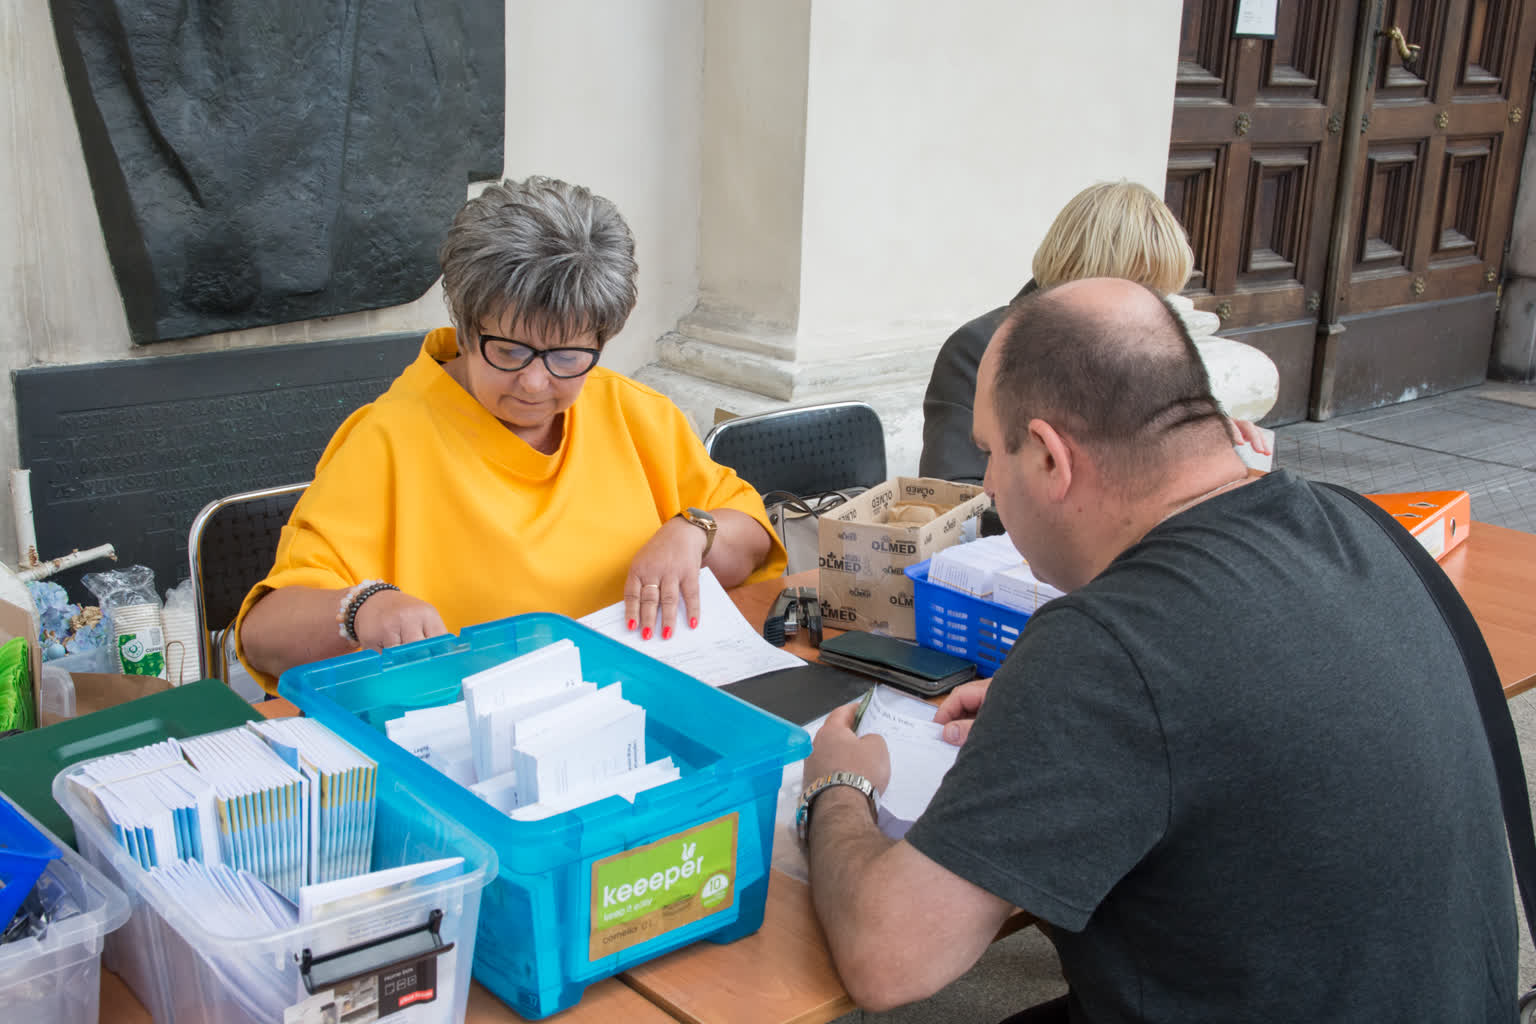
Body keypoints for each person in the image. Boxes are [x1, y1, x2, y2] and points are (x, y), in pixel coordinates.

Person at [801, 278, 1515, 1021]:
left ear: (1049, 457)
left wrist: (839, 791)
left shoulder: (1108, 647)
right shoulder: (1357, 526)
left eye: (989, 453)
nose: (985, 488)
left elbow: (888, 958)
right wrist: (1039, 734)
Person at [236, 176, 785, 693]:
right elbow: (264, 636)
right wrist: (362, 609)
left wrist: (695, 531)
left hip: (639, 702)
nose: (535, 382)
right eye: (509, 350)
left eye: (568, 355)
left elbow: (752, 543)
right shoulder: (387, 441)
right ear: (467, 325)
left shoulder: (632, 412)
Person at [919, 180, 1273, 486]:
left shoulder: (1145, 345)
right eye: (1142, 291)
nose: (1155, 311)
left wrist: (1206, 449)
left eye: (1161, 295)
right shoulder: (977, 350)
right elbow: (953, 495)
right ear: (1088, 276)